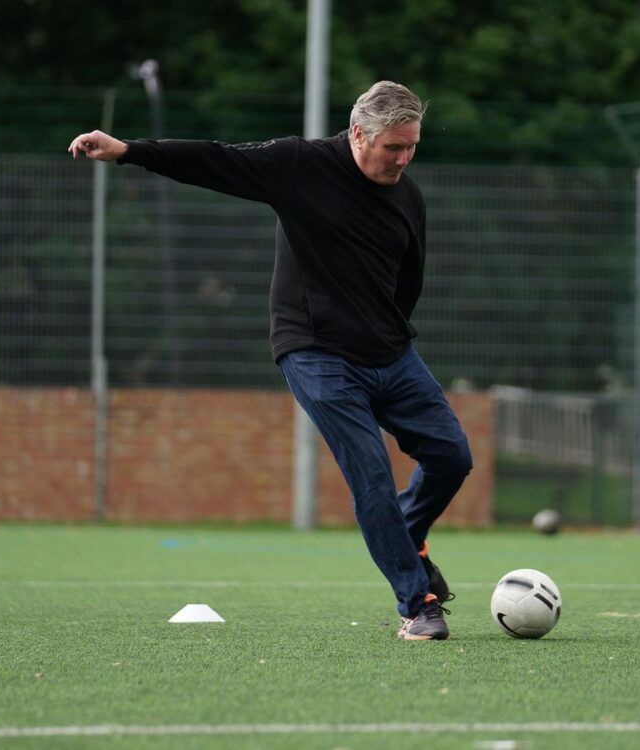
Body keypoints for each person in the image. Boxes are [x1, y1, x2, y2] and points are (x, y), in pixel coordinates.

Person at [68, 81, 472, 641]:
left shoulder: (409, 199)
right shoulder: (300, 165)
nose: (403, 160)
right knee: (371, 475)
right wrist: (129, 150)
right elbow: (214, 159)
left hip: (390, 352)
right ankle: (416, 601)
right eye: (392, 149)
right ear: (359, 134)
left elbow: (409, 281)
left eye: (411, 148)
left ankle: (405, 533)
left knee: (452, 455)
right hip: (316, 353)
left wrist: (389, 335)